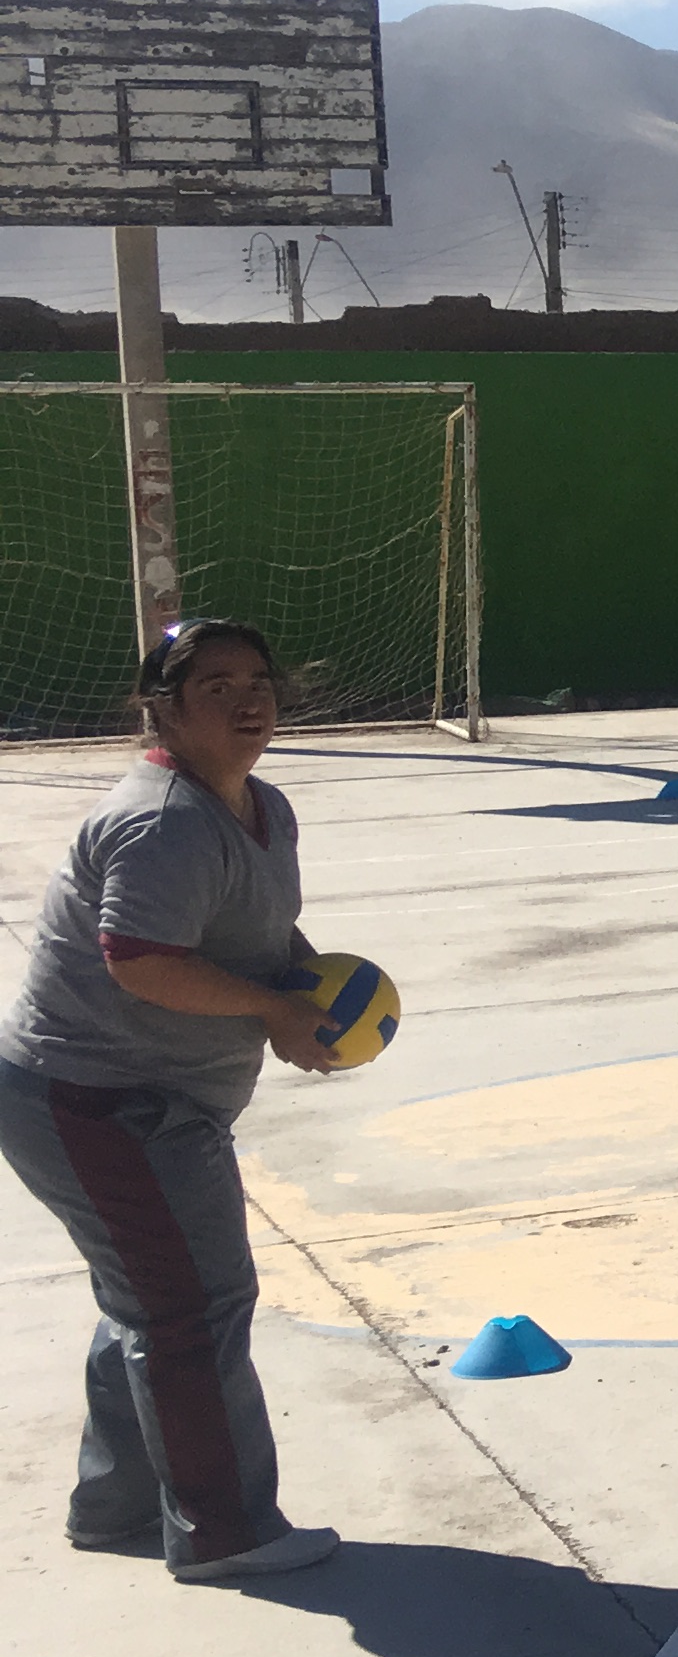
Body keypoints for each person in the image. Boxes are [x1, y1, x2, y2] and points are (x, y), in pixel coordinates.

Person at [0, 619, 345, 1581]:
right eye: (216, 688)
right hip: (99, 1103)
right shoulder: (164, 821)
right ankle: (224, 1534)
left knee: (150, 1301)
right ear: (163, 710)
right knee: (192, 1306)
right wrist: (273, 1011)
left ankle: (116, 1507)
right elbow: (143, 961)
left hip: (137, 1099)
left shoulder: (260, 805)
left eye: (257, 681)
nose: (248, 700)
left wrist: (309, 984)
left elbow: (257, 927)